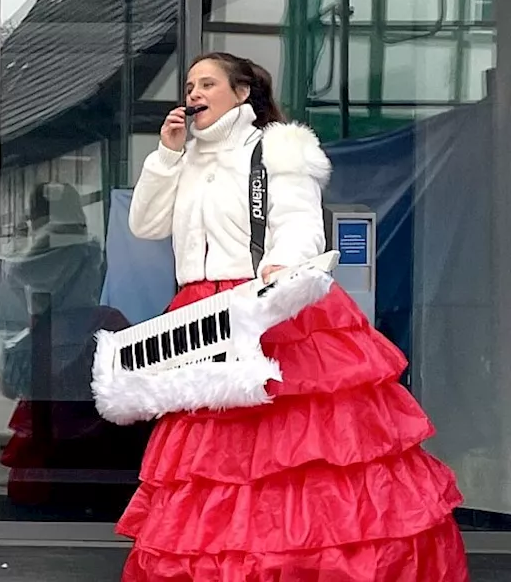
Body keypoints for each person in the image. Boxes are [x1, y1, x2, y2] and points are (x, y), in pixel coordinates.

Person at [117, 51, 470, 580]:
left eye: (206, 83)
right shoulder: (187, 158)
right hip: (204, 311)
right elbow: (145, 226)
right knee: (219, 457)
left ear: (242, 94)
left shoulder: (278, 146)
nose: (192, 93)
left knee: (296, 448)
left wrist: (280, 274)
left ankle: (305, 562)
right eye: (189, 84)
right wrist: (166, 156)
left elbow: (301, 222)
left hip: (269, 305)